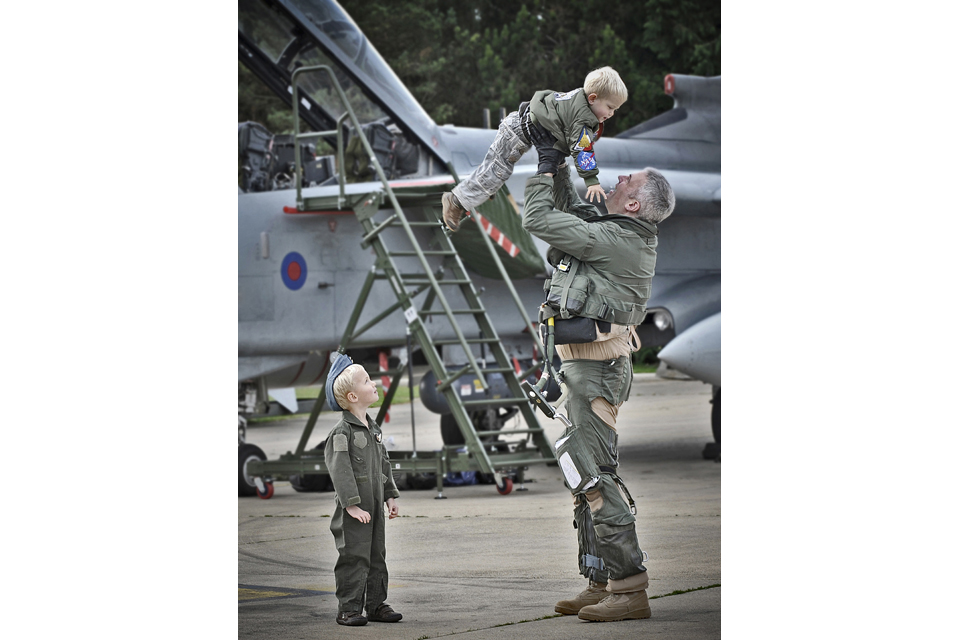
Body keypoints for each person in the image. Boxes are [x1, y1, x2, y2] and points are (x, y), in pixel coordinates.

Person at [521, 139, 676, 622]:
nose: (618, 178)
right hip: (583, 369)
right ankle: (601, 580)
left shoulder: (617, 240)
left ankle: (629, 589)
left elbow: (540, 219)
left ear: (634, 203)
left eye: (629, 180)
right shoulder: (612, 229)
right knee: (582, 475)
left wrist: (542, 174)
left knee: (592, 477)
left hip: (597, 371)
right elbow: (570, 209)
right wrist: (560, 160)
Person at [442, 66, 628, 231]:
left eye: (615, 110)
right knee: (497, 170)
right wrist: (591, 180)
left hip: (524, 127)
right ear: (593, 98)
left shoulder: (579, 98)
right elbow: (583, 149)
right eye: (610, 107)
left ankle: (589, 222)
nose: (611, 114)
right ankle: (456, 200)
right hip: (516, 132)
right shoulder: (582, 118)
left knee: (556, 181)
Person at [323, 353, 403, 626]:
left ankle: (376, 604)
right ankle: (348, 609)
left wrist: (390, 495)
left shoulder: (373, 428)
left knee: (376, 556)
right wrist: (351, 505)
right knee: (353, 557)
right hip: (353, 512)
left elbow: (383, 464)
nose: (374, 383)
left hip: (375, 507)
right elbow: (340, 471)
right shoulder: (342, 433)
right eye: (367, 381)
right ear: (353, 397)